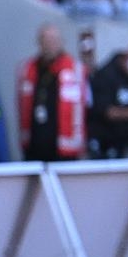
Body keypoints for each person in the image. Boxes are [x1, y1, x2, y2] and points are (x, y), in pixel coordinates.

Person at [17, 22, 87, 162]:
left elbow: (88, 106)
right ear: (39, 42)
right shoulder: (28, 69)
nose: (50, 45)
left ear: (61, 42)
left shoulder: (75, 69)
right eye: (46, 40)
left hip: (65, 148)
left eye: (54, 40)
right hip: (35, 144)